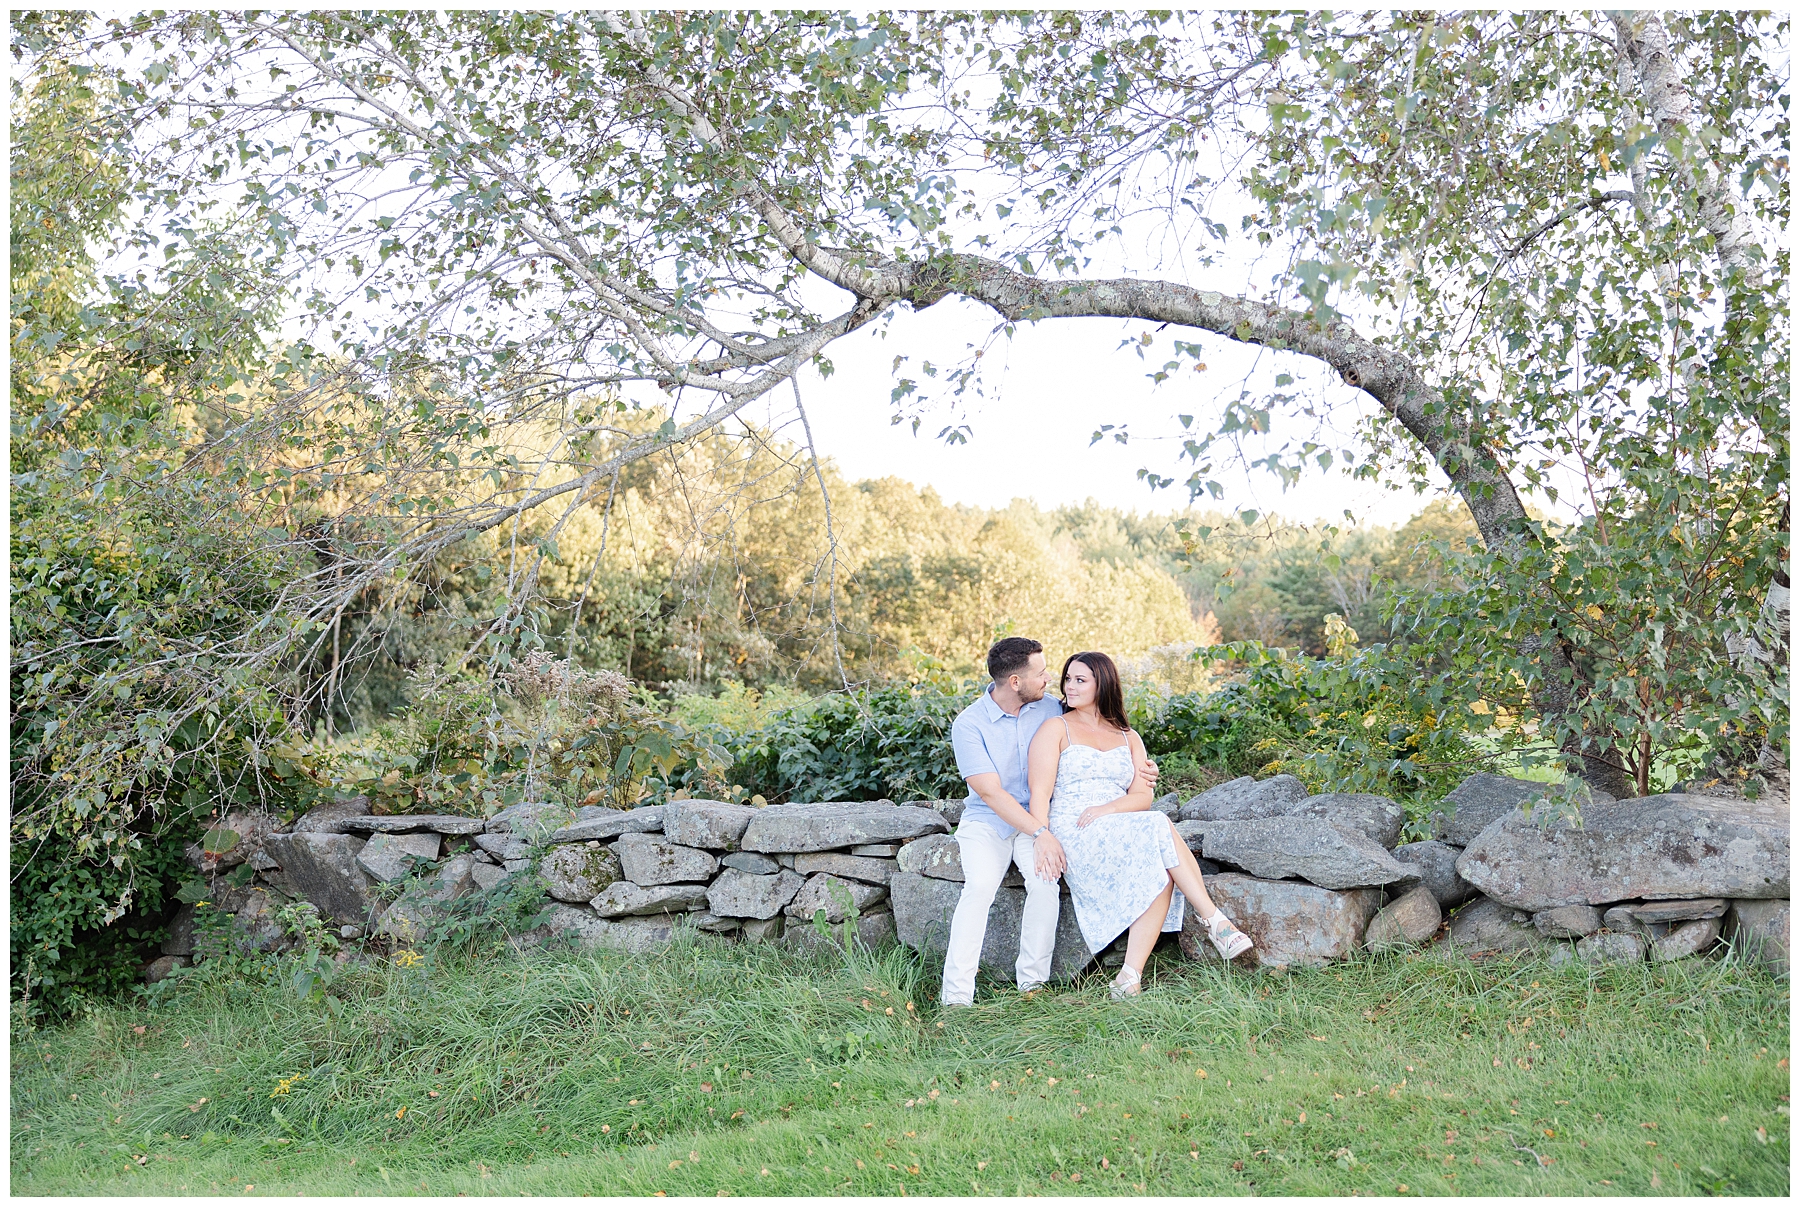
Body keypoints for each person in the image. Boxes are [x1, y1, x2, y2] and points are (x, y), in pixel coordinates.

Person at [943, 636, 1159, 1006]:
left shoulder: (1051, 709)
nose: (1050, 680)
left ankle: (1032, 986)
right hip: (989, 822)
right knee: (979, 889)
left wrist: (1142, 768)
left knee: (1044, 885)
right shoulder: (969, 725)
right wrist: (1040, 833)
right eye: (1041, 673)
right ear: (1015, 682)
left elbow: (1097, 733)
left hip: (1042, 818)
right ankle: (956, 998)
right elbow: (992, 794)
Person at [1026, 650, 1253, 1000]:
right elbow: (1039, 794)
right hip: (1074, 828)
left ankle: (1129, 978)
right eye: (1068, 679)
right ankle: (1215, 921)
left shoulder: (1127, 735)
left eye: (1080, 680)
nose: (1070, 686)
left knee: (1161, 866)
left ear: (1103, 684)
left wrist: (1107, 808)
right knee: (1159, 830)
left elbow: (1142, 798)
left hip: (1115, 822)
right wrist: (1043, 838)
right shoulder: (1055, 728)